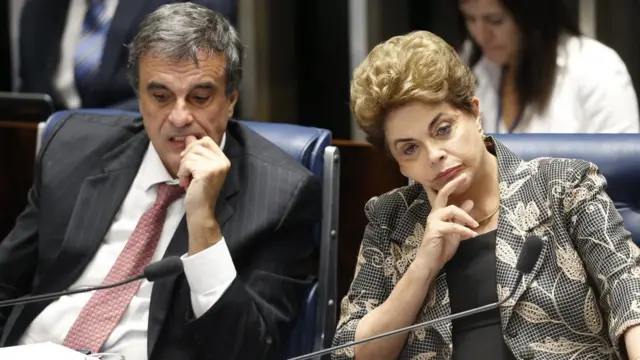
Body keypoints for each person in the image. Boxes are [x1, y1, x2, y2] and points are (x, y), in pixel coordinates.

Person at [0, 4, 320, 360]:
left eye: (200, 97)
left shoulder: (280, 196)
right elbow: (5, 283)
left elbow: (249, 350)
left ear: (231, 100)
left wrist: (204, 224)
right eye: (161, 96)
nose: (180, 117)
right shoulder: (71, 150)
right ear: (139, 97)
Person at [332, 30, 640, 360]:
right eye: (410, 148)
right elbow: (351, 353)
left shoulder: (564, 187)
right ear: (398, 163)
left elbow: (629, 291)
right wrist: (422, 267)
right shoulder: (391, 220)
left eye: (443, 129)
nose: (434, 154)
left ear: (475, 114)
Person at [15, 0, 237, 111]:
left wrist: (78, 131)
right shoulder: (40, 7)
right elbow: (31, 90)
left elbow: (192, 93)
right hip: (55, 164)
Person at [457, 0, 639, 134]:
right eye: (470, 18)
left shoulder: (597, 66)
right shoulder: (469, 64)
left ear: (533, 17)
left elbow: (622, 169)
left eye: (495, 20)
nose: (481, 35)